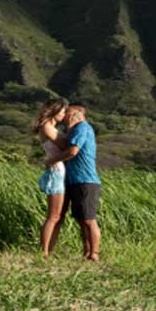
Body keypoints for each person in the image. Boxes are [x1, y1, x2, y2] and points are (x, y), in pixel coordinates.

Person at [46, 104, 101, 261]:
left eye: (67, 112)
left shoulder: (82, 128)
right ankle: (87, 252)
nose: (64, 115)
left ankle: (94, 253)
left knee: (88, 219)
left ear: (76, 114)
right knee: (81, 219)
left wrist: (51, 160)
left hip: (85, 179)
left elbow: (73, 151)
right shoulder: (73, 131)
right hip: (73, 180)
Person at [31, 99, 69, 257]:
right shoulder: (47, 127)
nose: (65, 115)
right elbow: (65, 145)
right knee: (53, 215)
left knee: (56, 215)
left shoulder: (48, 127)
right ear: (55, 111)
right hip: (57, 171)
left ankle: (48, 250)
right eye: (63, 112)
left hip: (58, 169)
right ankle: (44, 251)